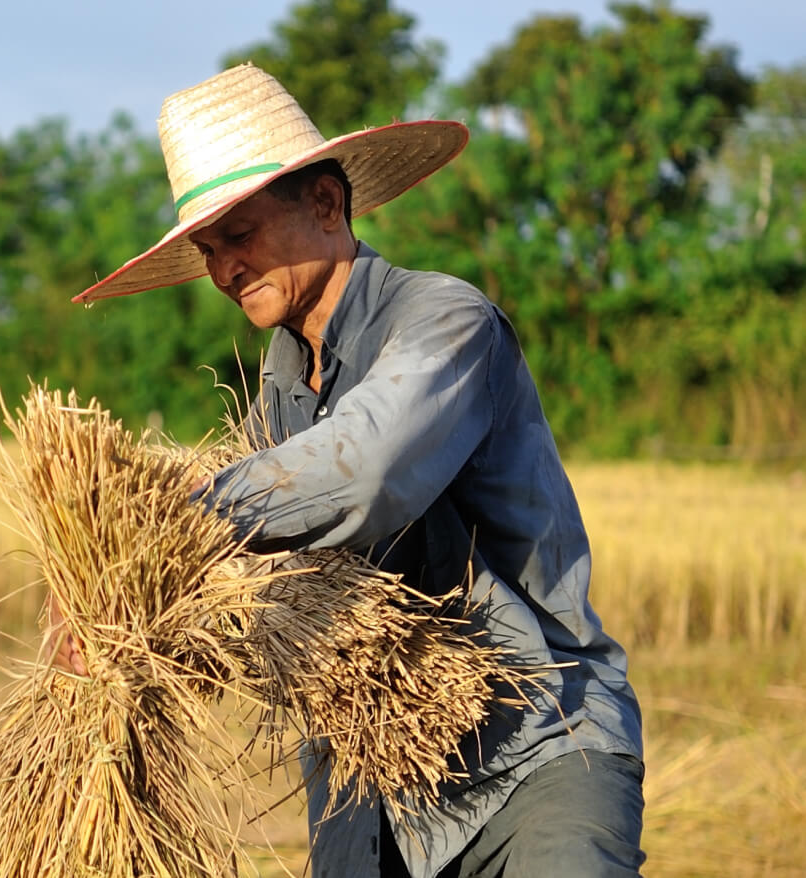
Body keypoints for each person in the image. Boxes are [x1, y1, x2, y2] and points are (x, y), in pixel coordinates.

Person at [72, 63, 646, 877]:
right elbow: (283, 598)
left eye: (239, 236)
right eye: (207, 250)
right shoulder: (273, 395)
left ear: (327, 205)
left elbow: (369, 466)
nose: (224, 270)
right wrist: (128, 615)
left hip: (539, 756)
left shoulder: (444, 321)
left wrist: (175, 521)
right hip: (373, 792)